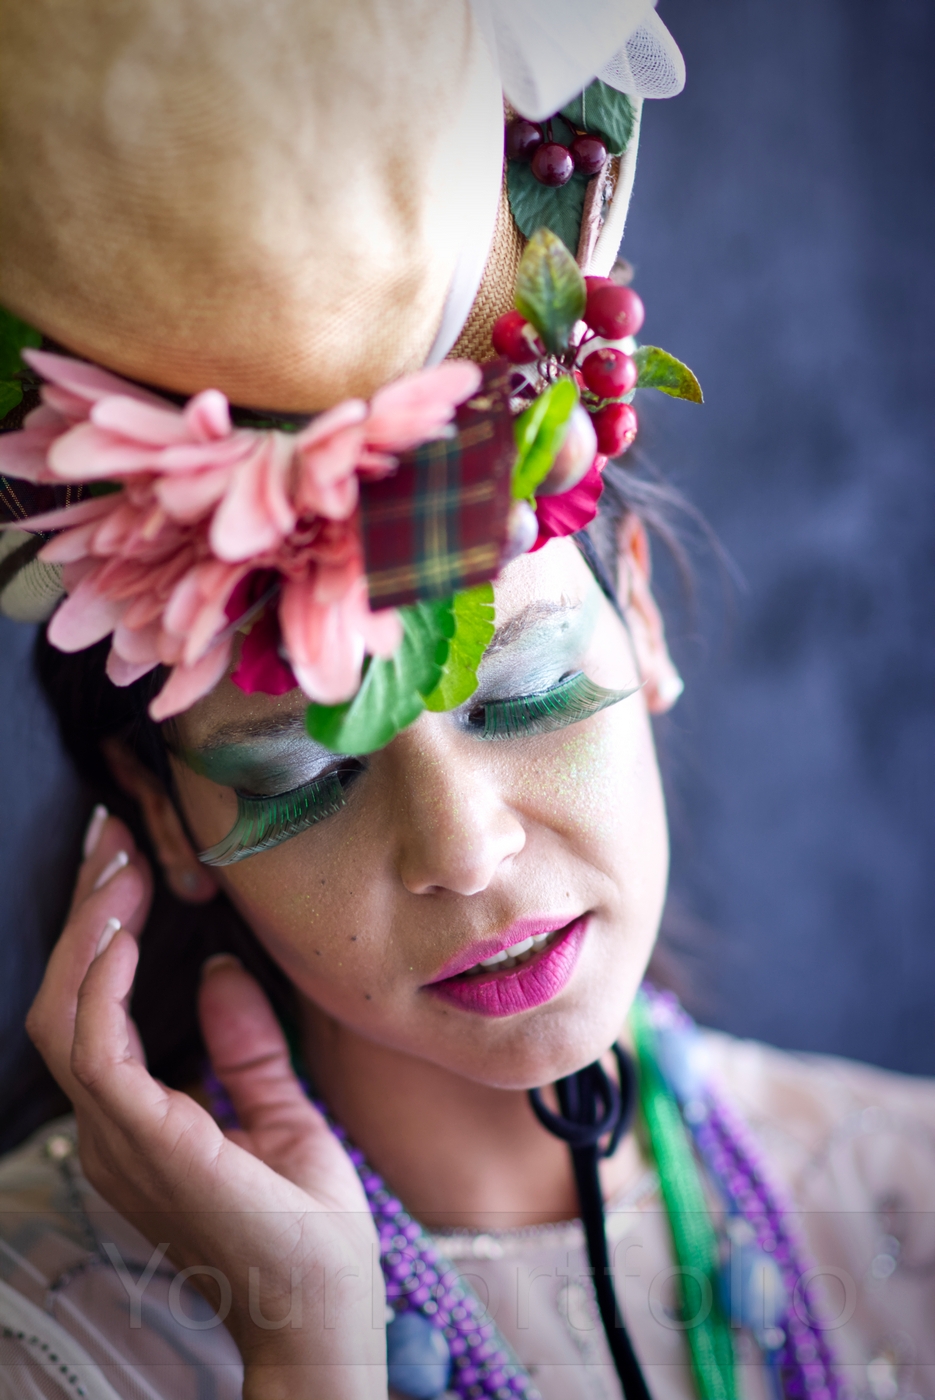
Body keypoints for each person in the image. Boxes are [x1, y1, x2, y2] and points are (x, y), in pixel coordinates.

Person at [0, 5, 932, 1400]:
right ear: (163, 814)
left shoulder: (909, 1198)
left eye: (528, 693)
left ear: (643, 617)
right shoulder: (49, 1328)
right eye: (304, 773)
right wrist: (307, 1352)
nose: (464, 850)